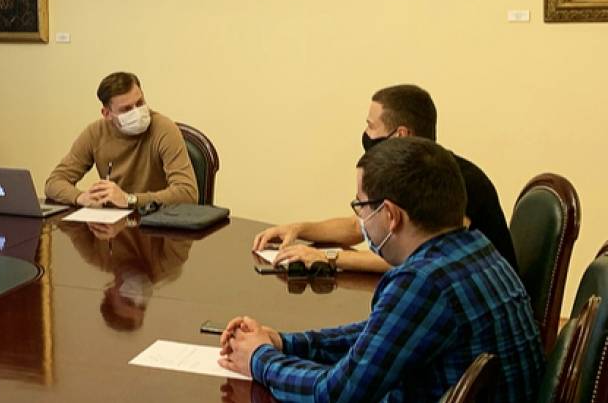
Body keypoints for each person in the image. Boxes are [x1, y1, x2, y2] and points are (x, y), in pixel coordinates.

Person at [219, 137, 542, 401]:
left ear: (390, 215)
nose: (359, 219)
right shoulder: (476, 248)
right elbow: (380, 339)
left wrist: (259, 359)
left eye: (360, 206)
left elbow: (335, 394)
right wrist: (285, 343)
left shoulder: (424, 282)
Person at [253, 84, 517, 273]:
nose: (366, 134)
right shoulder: (407, 174)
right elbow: (362, 226)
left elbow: (417, 257)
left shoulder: (453, 181)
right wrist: (299, 229)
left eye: (371, 126)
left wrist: (328, 257)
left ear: (400, 135)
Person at [45, 72, 197, 209]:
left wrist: (130, 199)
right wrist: (80, 197)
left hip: (157, 221)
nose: (137, 112)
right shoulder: (95, 133)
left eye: (140, 103)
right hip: (113, 224)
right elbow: (54, 182)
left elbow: (188, 193)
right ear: (107, 114)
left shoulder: (164, 129)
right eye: (126, 109)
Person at [58, 220, 191, 330]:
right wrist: (130, 216)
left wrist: (85, 202)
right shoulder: (169, 262)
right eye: (142, 306)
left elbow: (64, 219)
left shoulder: (96, 255)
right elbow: (183, 215)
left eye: (129, 301)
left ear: (110, 293)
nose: (139, 297)